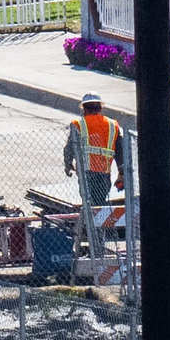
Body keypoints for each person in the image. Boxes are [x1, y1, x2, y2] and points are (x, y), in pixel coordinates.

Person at [64, 91, 121, 243]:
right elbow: (120, 151)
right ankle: (102, 239)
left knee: (90, 208)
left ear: (84, 108)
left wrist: (68, 164)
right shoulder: (112, 125)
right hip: (104, 174)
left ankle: (95, 244)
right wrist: (121, 173)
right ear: (100, 108)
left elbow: (69, 147)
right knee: (100, 205)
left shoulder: (78, 124)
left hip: (86, 174)